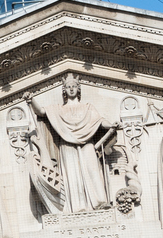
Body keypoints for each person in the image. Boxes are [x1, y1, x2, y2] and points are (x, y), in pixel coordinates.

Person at [31, 75, 116, 212]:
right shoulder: (59, 109)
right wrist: (31, 100)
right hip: (67, 146)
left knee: (93, 170)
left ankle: (100, 202)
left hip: (87, 144)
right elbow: (40, 111)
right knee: (72, 174)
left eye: (74, 86)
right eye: (68, 87)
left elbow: (100, 121)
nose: (71, 89)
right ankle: (78, 206)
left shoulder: (88, 108)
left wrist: (111, 125)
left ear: (78, 89)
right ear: (64, 90)